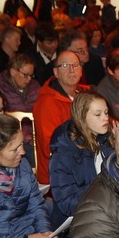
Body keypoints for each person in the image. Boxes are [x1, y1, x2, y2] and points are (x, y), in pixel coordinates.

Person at [49, 91, 113, 220]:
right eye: (98, 114)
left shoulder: (105, 141)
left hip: (104, 212)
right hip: (77, 222)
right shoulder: (64, 153)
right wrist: (104, 189)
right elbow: (67, 204)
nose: (105, 118)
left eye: (106, 113)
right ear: (82, 117)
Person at [34, 50, 86, 184]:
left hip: (82, 165)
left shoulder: (85, 95)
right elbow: (50, 146)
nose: (71, 70)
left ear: (81, 70)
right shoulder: (47, 102)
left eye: (75, 65)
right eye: (65, 66)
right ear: (56, 72)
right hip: (58, 177)